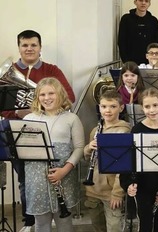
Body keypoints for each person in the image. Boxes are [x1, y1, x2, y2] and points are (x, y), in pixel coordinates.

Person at [2, 30, 76, 229]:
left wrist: (45, 107)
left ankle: (54, 213)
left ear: (40, 47)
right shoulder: (10, 72)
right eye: (25, 45)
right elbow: (2, 105)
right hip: (21, 130)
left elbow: (69, 97)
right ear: (19, 47)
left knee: (53, 177)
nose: (29, 49)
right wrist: (20, 114)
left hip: (52, 130)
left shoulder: (52, 69)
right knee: (26, 179)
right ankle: (31, 220)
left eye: (33, 45)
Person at [24, 77, 84, 231]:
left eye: (51, 93)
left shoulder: (71, 118)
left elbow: (79, 148)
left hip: (64, 177)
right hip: (37, 179)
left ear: (60, 94)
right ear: (37, 97)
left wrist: (64, 170)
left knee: (64, 223)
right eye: (42, 94)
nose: (47, 98)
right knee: (41, 223)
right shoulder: (29, 119)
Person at [120, 88, 158, 232]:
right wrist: (129, 184)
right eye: (147, 106)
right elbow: (130, 162)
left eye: (155, 105)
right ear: (142, 108)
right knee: (144, 225)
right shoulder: (137, 130)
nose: (152, 110)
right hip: (142, 187)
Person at [84, 90, 130, 232]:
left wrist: (117, 193)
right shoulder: (95, 130)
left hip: (111, 192)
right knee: (98, 226)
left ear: (121, 108)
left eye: (112, 106)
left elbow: (124, 166)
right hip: (93, 189)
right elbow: (88, 159)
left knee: (114, 227)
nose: (107, 111)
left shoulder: (124, 131)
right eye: (103, 106)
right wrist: (88, 148)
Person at [118, 0, 158, 65]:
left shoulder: (153, 20)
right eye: (141, 0)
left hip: (148, 62)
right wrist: (126, 61)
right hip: (130, 62)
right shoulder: (126, 19)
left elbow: (156, 42)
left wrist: (153, 60)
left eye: (146, 1)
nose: (143, 3)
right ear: (135, 2)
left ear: (149, 4)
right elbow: (121, 42)